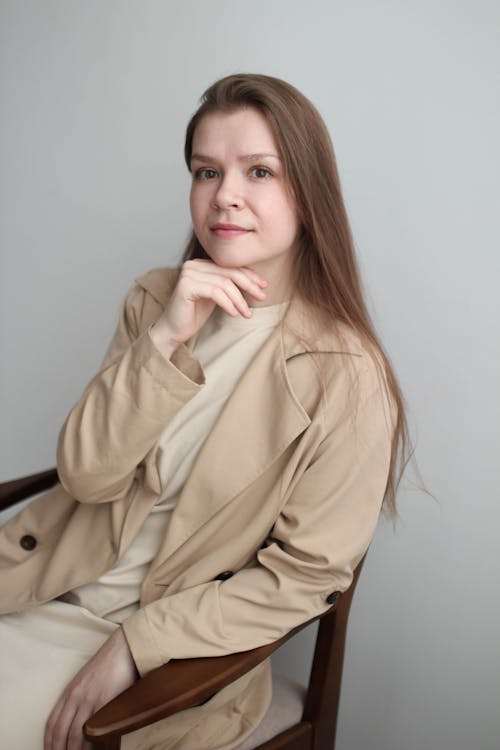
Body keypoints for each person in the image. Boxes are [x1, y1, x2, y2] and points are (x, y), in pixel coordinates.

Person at [0, 73, 410, 750]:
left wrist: (138, 642)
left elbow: (305, 576)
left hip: (166, 652)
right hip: (44, 582)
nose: (226, 196)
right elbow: (87, 477)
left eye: (259, 171)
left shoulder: (347, 375)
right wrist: (166, 339)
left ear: (308, 194)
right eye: (206, 171)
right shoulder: (153, 299)